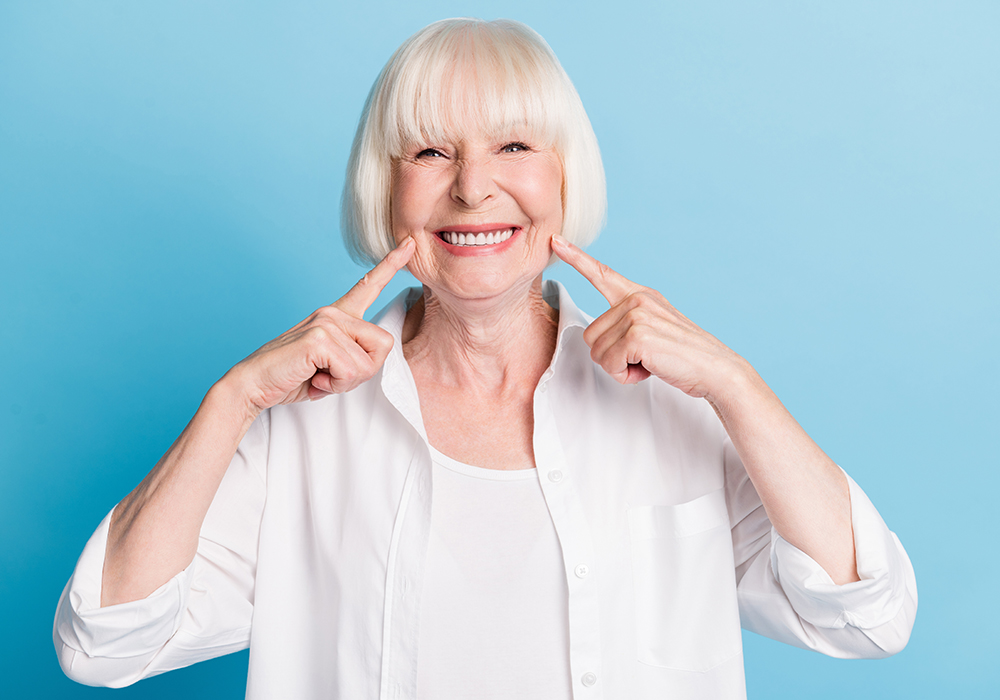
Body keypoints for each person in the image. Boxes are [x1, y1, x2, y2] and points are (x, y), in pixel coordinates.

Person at [54, 17, 917, 700]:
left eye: (513, 146)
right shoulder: (296, 430)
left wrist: (736, 385)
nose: (472, 187)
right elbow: (103, 643)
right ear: (384, 186)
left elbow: (867, 616)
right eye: (431, 151)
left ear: (565, 178)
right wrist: (232, 401)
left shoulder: (676, 404)